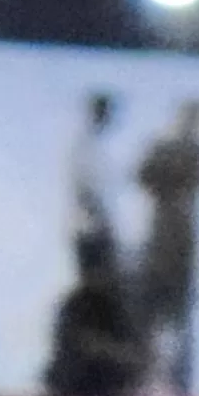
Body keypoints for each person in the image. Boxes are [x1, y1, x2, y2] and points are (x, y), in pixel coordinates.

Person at [36, 236, 146, 396]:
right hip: (77, 373)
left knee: (123, 387)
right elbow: (68, 343)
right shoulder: (74, 305)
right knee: (65, 380)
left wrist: (108, 351)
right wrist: (96, 348)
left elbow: (132, 346)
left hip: (109, 374)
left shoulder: (117, 307)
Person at [131, 100, 199, 396]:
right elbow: (143, 176)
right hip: (161, 240)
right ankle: (144, 378)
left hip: (182, 241)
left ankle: (178, 384)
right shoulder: (164, 149)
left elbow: (196, 179)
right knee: (153, 314)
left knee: (180, 317)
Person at [68, 91, 120, 277]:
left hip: (101, 226)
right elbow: (82, 186)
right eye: (103, 112)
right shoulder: (83, 145)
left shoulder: (100, 148)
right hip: (89, 227)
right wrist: (98, 216)